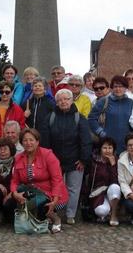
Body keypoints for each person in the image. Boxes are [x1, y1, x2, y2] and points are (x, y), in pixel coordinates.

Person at [41, 89, 92, 224]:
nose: (63, 102)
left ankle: (70, 215)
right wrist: (46, 160)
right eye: (60, 100)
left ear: (71, 100)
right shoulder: (50, 118)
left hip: (75, 160)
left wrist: (83, 159)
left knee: (73, 188)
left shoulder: (79, 118)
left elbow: (86, 140)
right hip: (54, 161)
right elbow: (45, 141)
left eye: (66, 99)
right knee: (53, 187)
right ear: (56, 102)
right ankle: (53, 212)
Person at [11, 128, 69, 232]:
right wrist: (14, 193)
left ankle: (54, 218)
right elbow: (14, 180)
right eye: (25, 140)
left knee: (36, 204)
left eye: (31, 140)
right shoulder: (18, 158)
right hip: (32, 191)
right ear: (21, 143)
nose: (28, 143)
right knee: (11, 202)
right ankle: (36, 218)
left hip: (51, 194)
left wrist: (55, 200)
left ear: (37, 141)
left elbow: (57, 179)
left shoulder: (48, 155)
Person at [88, 75, 133, 153]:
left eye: (121, 86)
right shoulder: (104, 101)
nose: (118, 89)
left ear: (126, 88)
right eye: (115, 86)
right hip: (108, 144)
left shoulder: (131, 103)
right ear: (111, 88)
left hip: (126, 144)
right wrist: (101, 132)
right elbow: (91, 118)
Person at [86, 136, 121, 225]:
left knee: (115, 187)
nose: (107, 150)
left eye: (110, 148)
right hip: (98, 192)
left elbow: (115, 181)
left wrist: (113, 165)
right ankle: (106, 213)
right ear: (100, 149)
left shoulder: (117, 160)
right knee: (101, 211)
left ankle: (113, 215)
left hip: (112, 192)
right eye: (104, 148)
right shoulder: (94, 161)